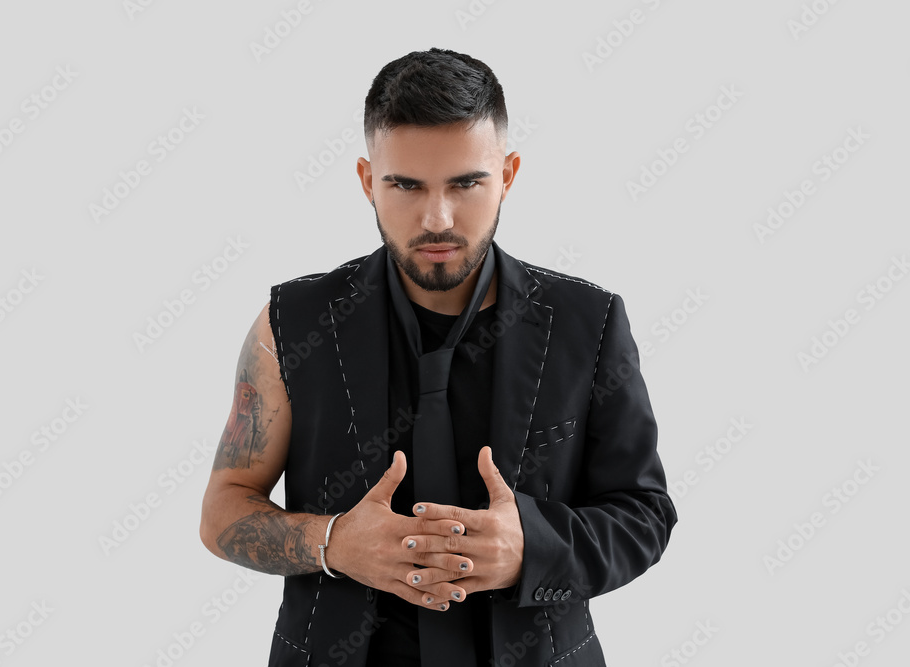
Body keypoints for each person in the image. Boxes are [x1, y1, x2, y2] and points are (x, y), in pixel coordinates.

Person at [199, 47, 677, 667]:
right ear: (369, 181)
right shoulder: (292, 322)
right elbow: (223, 508)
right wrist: (333, 543)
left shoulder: (589, 323)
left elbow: (643, 515)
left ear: (506, 175)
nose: (437, 218)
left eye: (466, 183)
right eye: (405, 185)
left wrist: (532, 546)